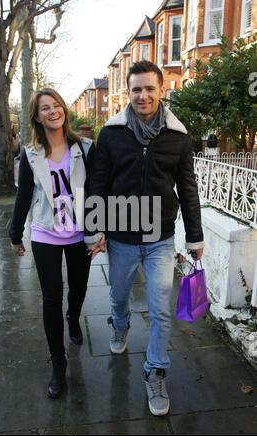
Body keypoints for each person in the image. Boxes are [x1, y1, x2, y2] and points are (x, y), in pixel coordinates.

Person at [85, 61, 204, 416]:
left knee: (160, 308)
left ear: (161, 89)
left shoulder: (178, 137)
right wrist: (95, 229)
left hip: (160, 238)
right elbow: (98, 183)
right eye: (136, 89)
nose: (143, 95)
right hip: (120, 237)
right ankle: (119, 324)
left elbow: (188, 188)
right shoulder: (111, 134)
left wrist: (194, 235)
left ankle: (155, 370)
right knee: (119, 295)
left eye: (150, 88)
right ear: (128, 92)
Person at [9, 88, 95, 399]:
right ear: (37, 116)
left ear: (64, 110)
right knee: (50, 298)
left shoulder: (84, 147)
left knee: (80, 287)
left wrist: (101, 232)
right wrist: (14, 233)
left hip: (79, 233)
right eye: (45, 108)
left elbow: (99, 189)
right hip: (45, 232)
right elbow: (23, 196)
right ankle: (58, 365)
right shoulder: (31, 154)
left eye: (56, 105)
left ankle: (74, 316)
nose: (52, 111)